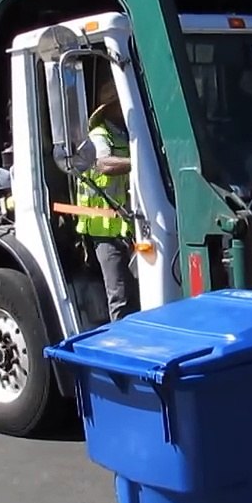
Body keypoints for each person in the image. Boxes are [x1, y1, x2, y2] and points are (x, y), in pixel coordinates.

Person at [75, 76, 139, 321]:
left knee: (134, 293)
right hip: (104, 230)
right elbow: (103, 164)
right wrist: (139, 164)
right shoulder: (99, 135)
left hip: (126, 226)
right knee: (119, 295)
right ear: (111, 108)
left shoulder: (124, 134)